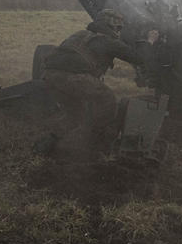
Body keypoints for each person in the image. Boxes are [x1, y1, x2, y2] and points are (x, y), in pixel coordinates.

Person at [40, 9, 155, 155]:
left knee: (75, 114)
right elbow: (138, 57)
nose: (119, 31)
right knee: (107, 101)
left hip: (50, 76)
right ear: (111, 26)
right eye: (118, 27)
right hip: (74, 78)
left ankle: (49, 144)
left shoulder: (80, 34)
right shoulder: (109, 41)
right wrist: (150, 41)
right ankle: (96, 144)